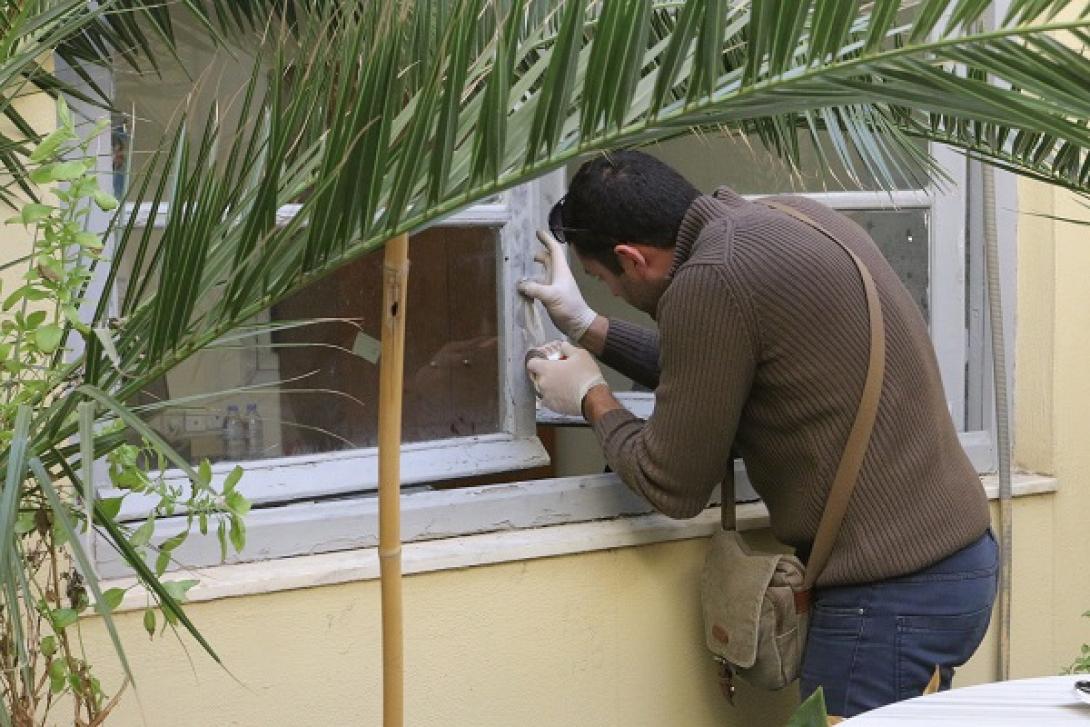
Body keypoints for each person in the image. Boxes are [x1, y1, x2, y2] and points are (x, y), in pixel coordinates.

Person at [518, 149, 997, 718]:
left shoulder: (711, 279)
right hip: (955, 561)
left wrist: (590, 397)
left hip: (889, 596)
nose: (612, 296)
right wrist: (589, 329)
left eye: (603, 282)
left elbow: (669, 482)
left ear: (632, 258)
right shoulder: (785, 218)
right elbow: (715, 364)